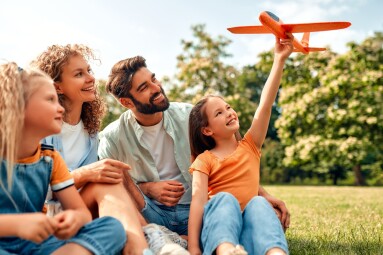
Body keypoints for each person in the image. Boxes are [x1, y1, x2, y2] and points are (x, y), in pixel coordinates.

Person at [98, 55, 290, 238]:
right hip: (150, 212)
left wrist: (263, 194)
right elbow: (115, 191)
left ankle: (177, 238)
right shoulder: (113, 137)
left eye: (154, 79)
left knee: (269, 215)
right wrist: (147, 188)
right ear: (126, 102)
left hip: (197, 208)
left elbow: (231, 158)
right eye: (144, 87)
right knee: (115, 175)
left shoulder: (189, 115)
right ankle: (156, 234)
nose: (156, 88)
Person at [32, 44, 188, 255]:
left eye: (89, 71)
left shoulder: (91, 131)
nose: (90, 78)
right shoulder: (43, 128)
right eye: (79, 74)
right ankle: (147, 240)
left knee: (109, 176)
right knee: (105, 178)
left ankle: (144, 243)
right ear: (57, 87)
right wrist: (86, 173)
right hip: (51, 213)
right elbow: (36, 190)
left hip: (83, 209)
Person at [0, 62, 126, 255]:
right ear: (17, 105)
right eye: (50, 100)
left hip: (38, 245)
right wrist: (16, 225)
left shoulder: (50, 158)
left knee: (112, 228)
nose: (59, 108)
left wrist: (74, 219)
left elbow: (80, 212)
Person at [187, 35, 293, 255]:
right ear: (207, 130)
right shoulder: (204, 160)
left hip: (250, 234)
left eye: (227, 107)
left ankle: (275, 252)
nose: (229, 112)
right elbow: (197, 203)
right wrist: (194, 248)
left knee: (259, 204)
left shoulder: (250, 145)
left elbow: (265, 104)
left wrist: (279, 59)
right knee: (224, 199)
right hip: (221, 234)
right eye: (219, 113)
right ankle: (227, 251)